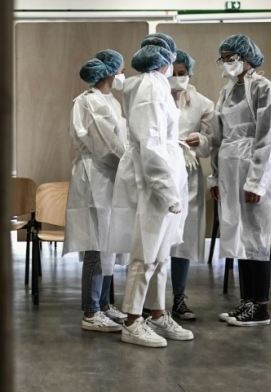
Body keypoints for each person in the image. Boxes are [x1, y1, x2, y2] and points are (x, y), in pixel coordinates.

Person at [109, 34, 194, 348]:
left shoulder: (155, 85)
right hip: (153, 183)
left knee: (161, 254)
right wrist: (167, 191)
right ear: (166, 59)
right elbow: (151, 144)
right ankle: (133, 321)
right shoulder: (150, 87)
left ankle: (157, 313)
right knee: (145, 253)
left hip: (163, 179)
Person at [209, 35, 271, 327]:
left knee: (256, 238)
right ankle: (247, 301)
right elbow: (218, 138)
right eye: (223, 59)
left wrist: (257, 182)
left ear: (246, 58)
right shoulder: (226, 92)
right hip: (230, 171)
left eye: (231, 58)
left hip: (253, 171)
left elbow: (269, 139)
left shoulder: (264, 89)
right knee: (239, 237)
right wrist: (215, 177)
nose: (226, 63)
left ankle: (261, 307)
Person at [63, 50, 128, 332]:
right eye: (122, 70)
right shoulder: (90, 102)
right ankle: (91, 312)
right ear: (110, 72)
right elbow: (106, 145)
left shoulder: (110, 100)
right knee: (96, 244)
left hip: (110, 176)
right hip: (95, 176)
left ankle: (103, 304)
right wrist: (130, 163)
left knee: (109, 243)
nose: (124, 75)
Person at [167, 50, 216, 320]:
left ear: (189, 73)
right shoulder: (155, 98)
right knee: (155, 237)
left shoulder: (203, 103)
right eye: (172, 73)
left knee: (182, 239)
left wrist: (200, 140)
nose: (177, 78)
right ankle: (150, 301)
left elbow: (211, 143)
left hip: (187, 172)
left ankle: (179, 298)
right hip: (160, 172)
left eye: (182, 73)